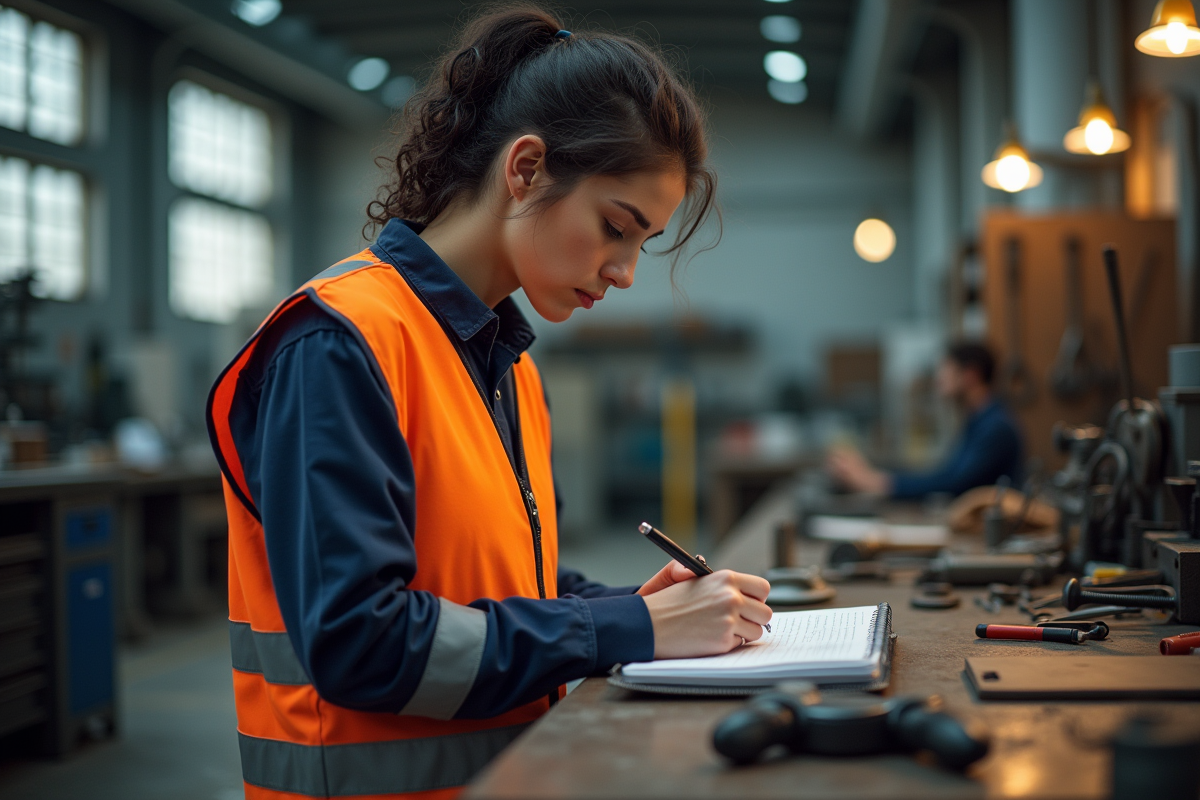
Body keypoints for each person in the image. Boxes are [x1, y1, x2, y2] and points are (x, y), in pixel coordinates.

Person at [206, 8, 771, 800]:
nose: (624, 273)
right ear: (527, 168)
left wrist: (633, 606)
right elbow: (358, 643)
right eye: (616, 228)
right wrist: (626, 631)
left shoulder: (509, 367)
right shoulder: (338, 344)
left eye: (641, 243)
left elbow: (505, 586)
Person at [827, 342, 1024, 500]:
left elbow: (953, 483)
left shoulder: (996, 427)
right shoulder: (979, 421)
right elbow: (945, 473)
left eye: (946, 369)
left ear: (971, 375)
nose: (939, 378)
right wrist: (873, 474)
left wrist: (877, 481)